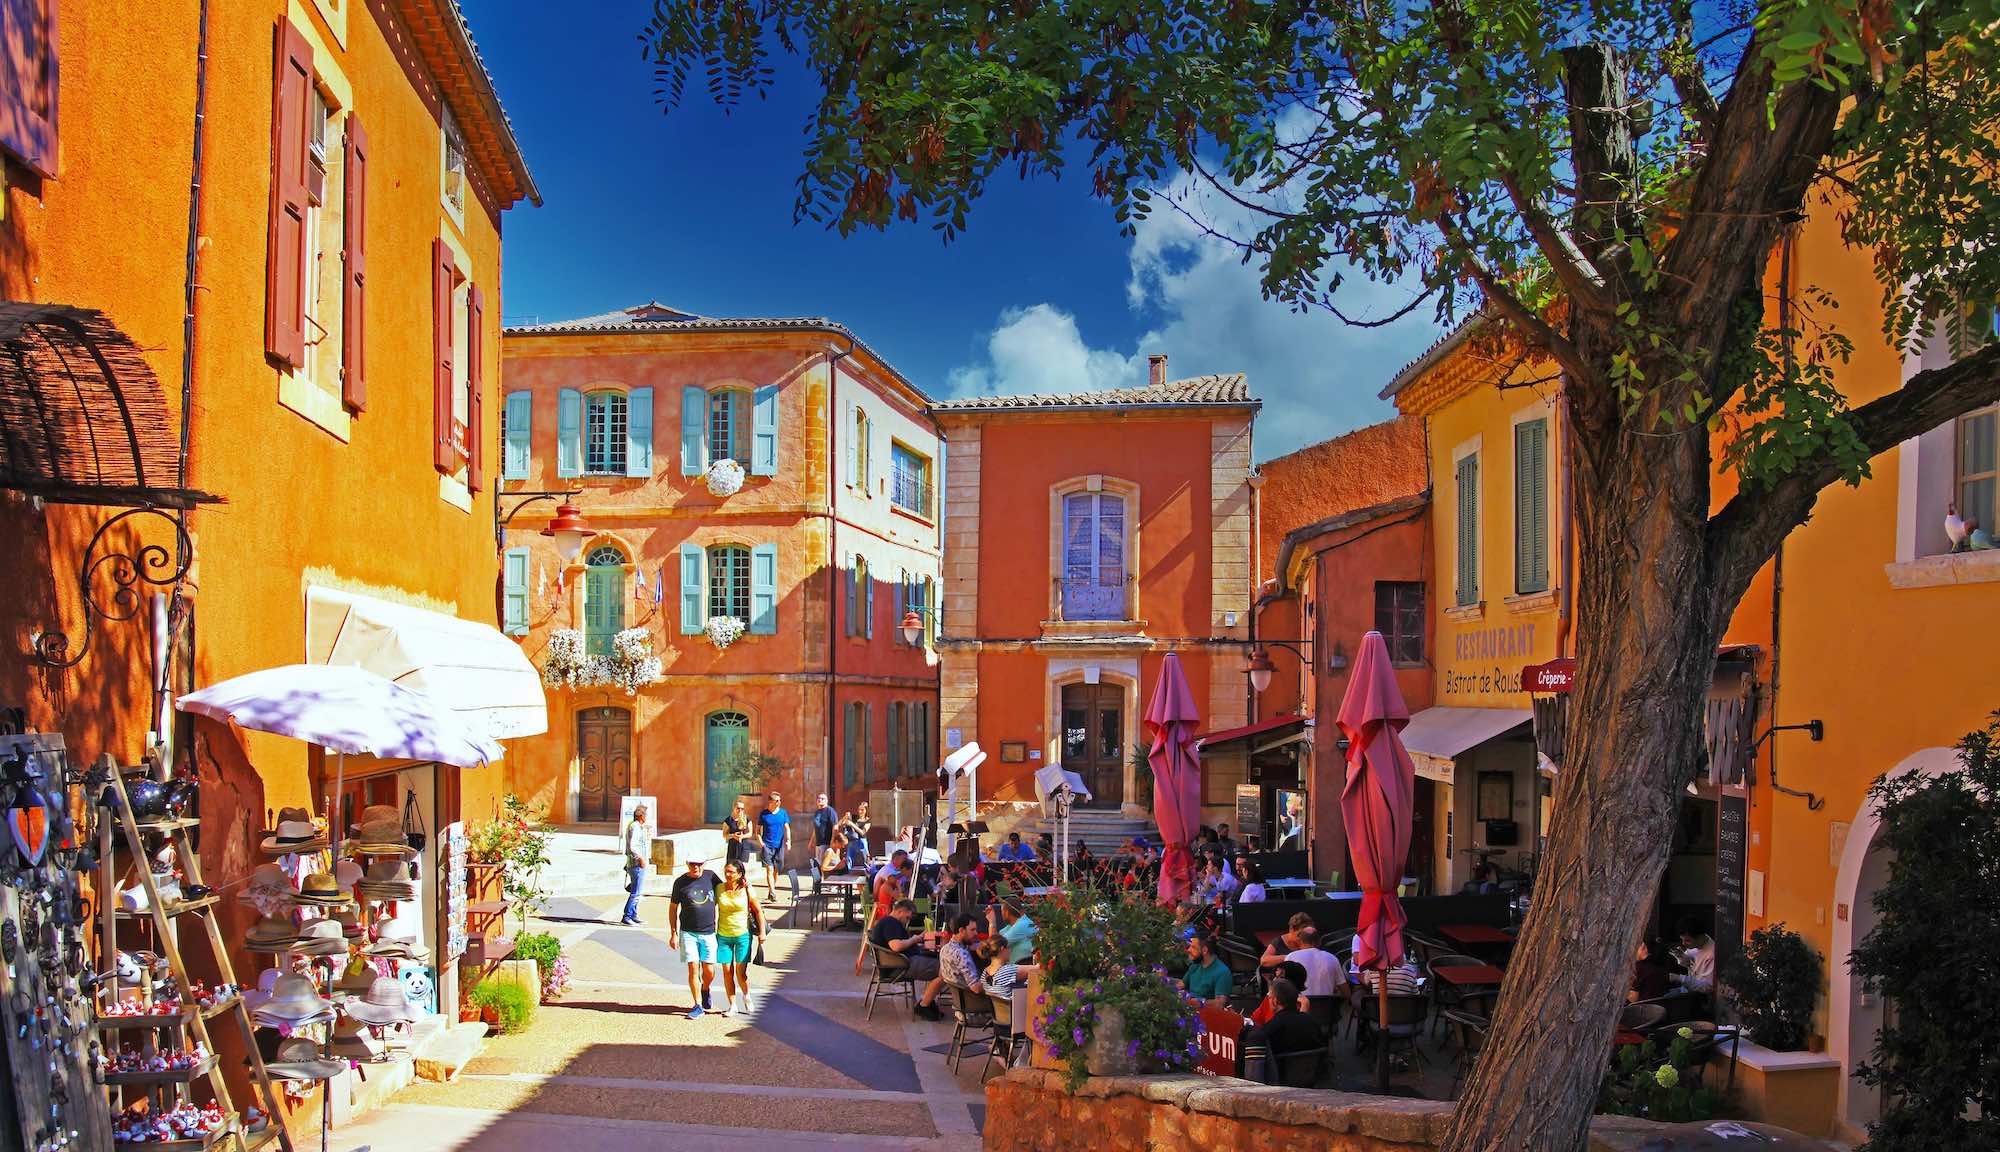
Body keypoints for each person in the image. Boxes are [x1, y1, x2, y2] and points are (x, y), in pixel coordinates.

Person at [667, 853, 722, 1018]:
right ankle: (698, 1004)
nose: (695, 867)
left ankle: (705, 988)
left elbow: (726, 891)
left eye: (699, 864)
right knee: (693, 968)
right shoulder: (680, 882)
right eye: (692, 864)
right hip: (688, 932)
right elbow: (673, 908)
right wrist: (673, 933)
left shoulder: (711, 877)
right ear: (687, 864)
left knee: (709, 970)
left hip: (709, 932)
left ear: (704, 863)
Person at [870, 898, 945, 1019]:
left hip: (901, 963)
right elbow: (897, 946)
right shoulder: (890, 923)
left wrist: (918, 941)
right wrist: (915, 939)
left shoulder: (888, 923)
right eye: (908, 917)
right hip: (900, 966)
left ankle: (927, 1001)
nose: (908, 921)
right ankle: (924, 1005)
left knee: (939, 962)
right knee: (946, 969)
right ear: (901, 911)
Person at [713, 860, 766, 1016]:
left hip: (743, 934)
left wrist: (762, 932)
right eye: (726, 871)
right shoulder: (719, 888)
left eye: (731, 872)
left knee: (740, 972)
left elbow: (758, 911)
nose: (728, 874)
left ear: (740, 874)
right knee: (726, 971)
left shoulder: (747, 889)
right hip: (723, 935)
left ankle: (746, 995)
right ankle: (732, 1005)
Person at [1246, 978, 1324, 1082]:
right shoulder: (1312, 1021)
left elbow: (1257, 1038)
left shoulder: (1274, 1026)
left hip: (1280, 1081)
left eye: (1269, 997)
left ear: (1275, 1001)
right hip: (1310, 1081)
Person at [1285, 927, 1343, 1001]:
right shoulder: (1332, 958)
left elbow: (1283, 988)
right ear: (1319, 942)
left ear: (1301, 941)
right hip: (1326, 1010)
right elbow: (1345, 992)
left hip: (1298, 1009)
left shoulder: (1290, 957)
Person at [756, 792, 792, 902]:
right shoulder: (764, 814)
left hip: (779, 846)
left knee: (776, 869)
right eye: (777, 800)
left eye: (779, 800)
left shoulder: (783, 813)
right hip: (767, 845)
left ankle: (772, 889)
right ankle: (772, 892)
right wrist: (761, 842)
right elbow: (757, 830)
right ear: (771, 801)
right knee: (769, 869)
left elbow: (787, 828)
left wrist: (788, 841)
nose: (779, 802)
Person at [1250, 960, 1311, 1025]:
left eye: (1281, 977)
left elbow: (1298, 1029)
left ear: (1294, 981)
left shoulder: (1301, 1004)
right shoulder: (1271, 997)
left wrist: (1305, 1006)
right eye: (1275, 976)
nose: (1275, 980)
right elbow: (1255, 1020)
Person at [1181, 932, 1233, 1006]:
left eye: (1193, 947)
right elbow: (1181, 984)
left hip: (1207, 1014)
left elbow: (1219, 1003)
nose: (1188, 950)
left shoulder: (1222, 972)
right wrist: (1163, 979)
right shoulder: (1195, 965)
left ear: (1205, 950)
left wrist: (1198, 1002)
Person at [619, 803, 650, 925]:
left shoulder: (638, 827)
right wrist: (640, 858)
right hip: (636, 864)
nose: (646, 817)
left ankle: (634, 914)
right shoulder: (635, 827)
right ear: (641, 816)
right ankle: (627, 916)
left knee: (638, 891)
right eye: (645, 814)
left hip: (637, 864)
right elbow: (632, 846)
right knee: (636, 892)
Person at [938, 914, 985, 993]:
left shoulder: (944, 949)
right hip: (975, 1001)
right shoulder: (961, 954)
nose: (976, 933)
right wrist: (990, 974)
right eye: (972, 930)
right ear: (961, 930)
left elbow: (941, 975)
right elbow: (976, 988)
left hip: (958, 1000)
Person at [1673, 917, 1716, 994]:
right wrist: (1682, 957)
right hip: (1688, 989)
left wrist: (1679, 978)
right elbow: (1690, 965)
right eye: (1682, 939)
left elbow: (1708, 987)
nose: (1683, 943)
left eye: (1687, 940)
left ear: (1700, 937)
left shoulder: (1712, 954)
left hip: (1700, 997)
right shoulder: (1694, 945)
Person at [989, 900, 1038, 965]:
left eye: (1002, 911)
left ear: (1006, 912)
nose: (1001, 914)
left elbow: (995, 945)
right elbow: (994, 941)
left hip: (1023, 968)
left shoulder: (1022, 924)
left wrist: (992, 923)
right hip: (1015, 968)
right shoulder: (1011, 926)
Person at [1629, 938, 1674, 1003]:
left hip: (1641, 1008)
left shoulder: (1638, 968)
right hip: (1659, 1007)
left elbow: (1634, 999)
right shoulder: (1663, 967)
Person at [723, 799, 752, 867]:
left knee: (742, 868)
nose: (740, 810)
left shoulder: (747, 819)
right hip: (733, 847)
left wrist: (741, 836)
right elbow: (724, 835)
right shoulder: (728, 820)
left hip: (743, 847)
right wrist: (733, 835)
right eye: (738, 808)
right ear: (734, 808)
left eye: (742, 809)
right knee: (732, 867)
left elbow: (750, 833)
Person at [846, 802, 873, 871]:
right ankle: (849, 871)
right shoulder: (854, 817)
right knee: (849, 858)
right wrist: (846, 817)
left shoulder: (868, 821)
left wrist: (852, 825)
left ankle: (868, 871)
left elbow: (863, 832)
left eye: (862, 810)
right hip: (852, 840)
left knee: (865, 858)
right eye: (859, 809)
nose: (860, 811)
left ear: (866, 810)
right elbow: (845, 823)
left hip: (861, 840)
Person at [811, 792, 838, 859]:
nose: (820, 800)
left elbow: (835, 827)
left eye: (822, 798)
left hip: (826, 843)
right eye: (818, 798)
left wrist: (832, 841)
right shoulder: (817, 812)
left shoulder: (830, 811)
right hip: (818, 843)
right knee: (818, 863)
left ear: (826, 801)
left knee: (824, 864)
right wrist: (811, 841)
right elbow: (816, 827)